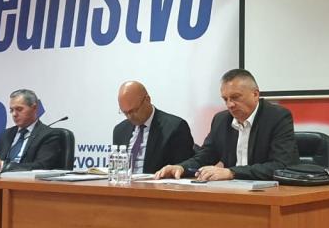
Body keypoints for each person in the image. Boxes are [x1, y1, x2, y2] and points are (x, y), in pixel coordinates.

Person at [155, 69, 299, 181]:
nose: (230, 105)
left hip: (269, 192)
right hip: (232, 191)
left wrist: (232, 172)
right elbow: (205, 156)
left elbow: (281, 166)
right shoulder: (221, 120)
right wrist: (181, 167)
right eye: (225, 99)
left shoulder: (277, 117)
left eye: (235, 97)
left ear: (255, 94)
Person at [112, 81, 195, 174]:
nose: (130, 117)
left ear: (147, 100)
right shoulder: (120, 130)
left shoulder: (175, 127)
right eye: (125, 112)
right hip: (124, 182)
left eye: (134, 111)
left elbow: (184, 168)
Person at [0, 89, 66, 171]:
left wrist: (2, 165)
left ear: (34, 108)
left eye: (19, 109)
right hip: (0, 180)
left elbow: (42, 166)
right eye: (11, 110)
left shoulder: (49, 135)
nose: (14, 114)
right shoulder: (7, 134)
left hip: (28, 181)